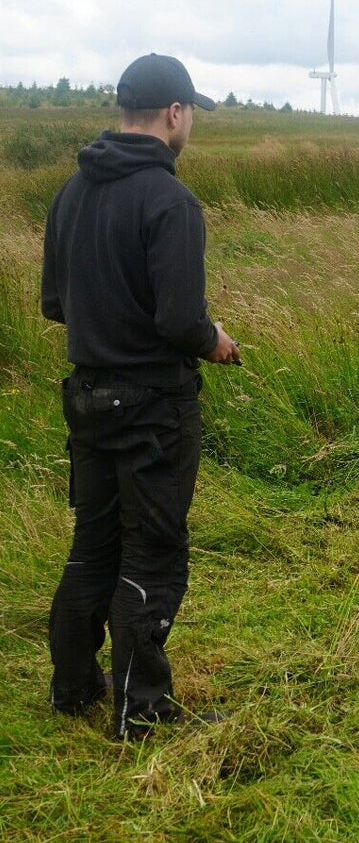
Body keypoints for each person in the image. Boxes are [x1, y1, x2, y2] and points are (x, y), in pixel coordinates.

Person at [41, 53, 240, 739]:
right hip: (154, 407)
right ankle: (144, 716)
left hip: (87, 397)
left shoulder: (71, 191)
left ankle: (73, 688)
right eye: (192, 116)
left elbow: (54, 304)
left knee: (92, 544)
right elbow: (179, 321)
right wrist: (214, 338)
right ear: (175, 114)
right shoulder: (170, 201)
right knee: (151, 553)